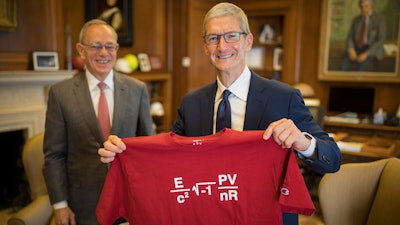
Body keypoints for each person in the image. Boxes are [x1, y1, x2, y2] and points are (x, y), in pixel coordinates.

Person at [99, 2, 342, 225]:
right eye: (213, 38)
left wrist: (302, 141)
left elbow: (332, 158)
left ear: (248, 41)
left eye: (231, 36)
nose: (222, 46)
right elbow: (166, 156)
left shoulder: (284, 97)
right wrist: (123, 152)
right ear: (205, 47)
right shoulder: (192, 103)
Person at [42, 19, 154, 225]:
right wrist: (60, 205)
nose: (104, 52)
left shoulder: (137, 89)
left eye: (110, 46)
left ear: (117, 49)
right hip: (81, 205)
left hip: (128, 200)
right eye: (95, 46)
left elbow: (148, 147)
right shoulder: (60, 94)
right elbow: (54, 155)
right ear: (81, 50)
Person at [341, 0, 386, 71]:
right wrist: (351, 49)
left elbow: (381, 39)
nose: (363, 9)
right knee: (344, 67)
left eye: (366, 6)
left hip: (371, 50)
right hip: (356, 48)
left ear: (371, 6)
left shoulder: (380, 19)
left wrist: (367, 53)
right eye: (361, 7)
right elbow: (350, 37)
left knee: (360, 69)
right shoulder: (356, 20)